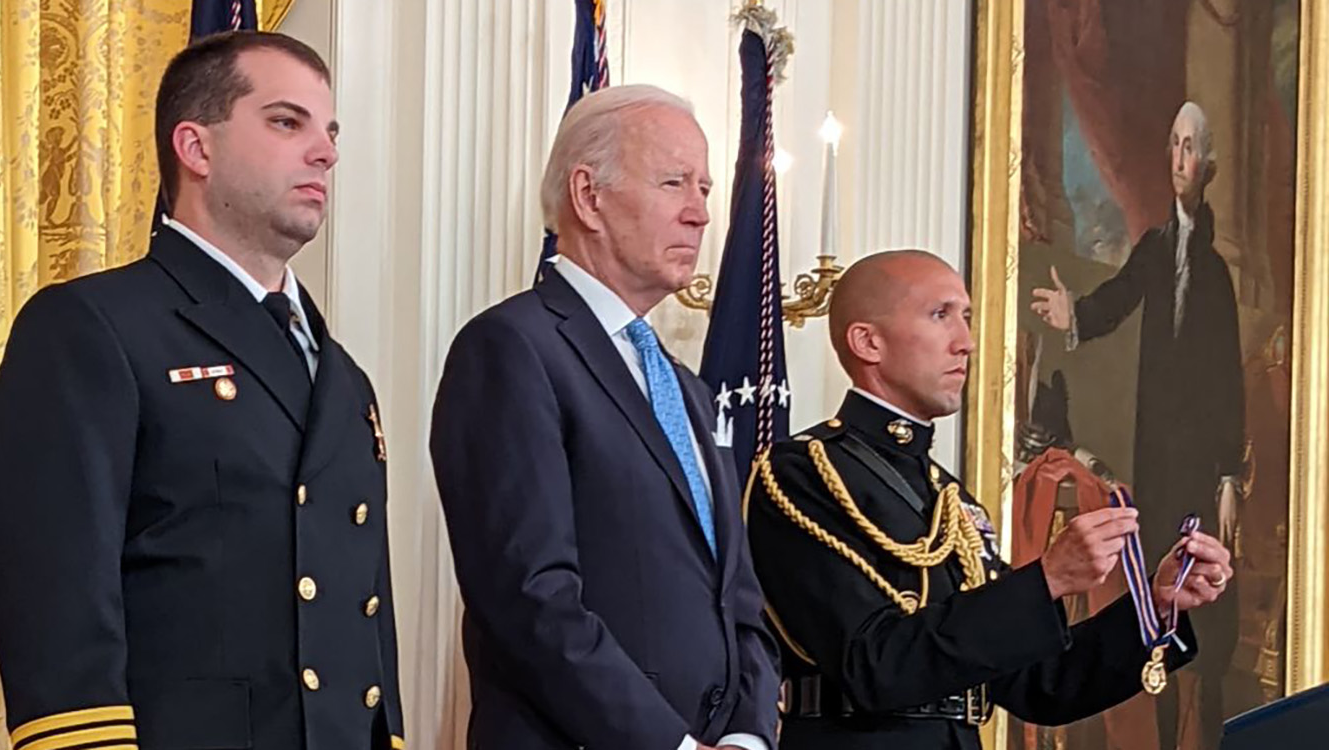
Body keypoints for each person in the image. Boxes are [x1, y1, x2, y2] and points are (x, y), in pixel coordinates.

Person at [0, 31, 404, 749]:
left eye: (329, 131)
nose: (326, 152)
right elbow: (56, 599)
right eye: (286, 122)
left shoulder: (342, 374)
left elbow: (363, 612)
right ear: (196, 147)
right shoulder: (93, 328)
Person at [747, 250, 1234, 749]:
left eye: (968, 318)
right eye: (941, 316)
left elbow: (1043, 686)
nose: (967, 342)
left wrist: (1154, 603)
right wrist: (1048, 578)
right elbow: (873, 665)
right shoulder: (804, 473)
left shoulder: (946, 497)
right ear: (868, 341)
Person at [430, 84, 780, 750]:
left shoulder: (685, 387)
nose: (700, 214)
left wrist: (746, 737)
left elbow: (736, 593)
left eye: (705, 188)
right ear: (589, 196)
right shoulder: (512, 348)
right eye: (675, 182)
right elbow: (529, 596)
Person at [1031, 101, 1244, 748]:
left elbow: (1231, 377)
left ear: (1207, 166)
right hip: (1153, 448)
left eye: (1191, 149)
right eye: (1174, 145)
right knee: (1150, 582)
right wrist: (1077, 315)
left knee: (1204, 591)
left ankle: (1201, 728)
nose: (1180, 159)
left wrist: (1232, 471)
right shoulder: (1156, 247)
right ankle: (1142, 721)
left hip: (1202, 459)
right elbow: (1118, 298)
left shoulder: (1213, 270)